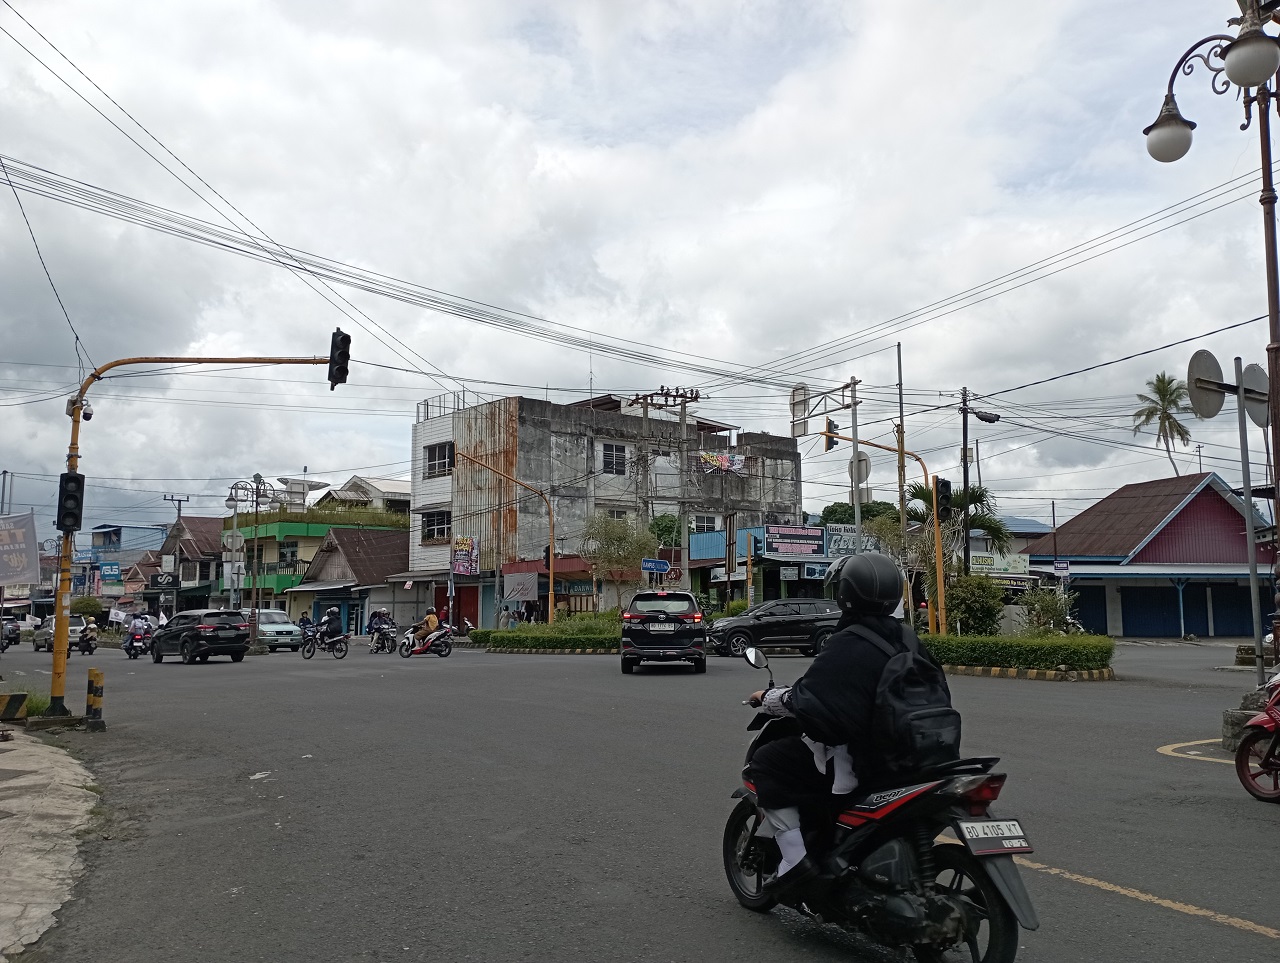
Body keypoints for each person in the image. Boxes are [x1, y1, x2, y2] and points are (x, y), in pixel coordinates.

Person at [745, 552, 932, 895]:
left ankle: (794, 861)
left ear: (844, 593)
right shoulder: (907, 638)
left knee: (768, 761)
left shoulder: (848, 641)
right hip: (919, 757)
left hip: (868, 761)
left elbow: (811, 701)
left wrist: (767, 697)